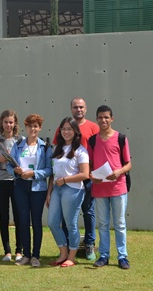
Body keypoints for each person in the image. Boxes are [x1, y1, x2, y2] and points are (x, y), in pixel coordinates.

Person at [52, 97, 99, 260]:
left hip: (86, 177)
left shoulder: (93, 127)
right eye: (75, 107)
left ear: (86, 109)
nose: (78, 109)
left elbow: (98, 151)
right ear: (71, 109)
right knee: (67, 217)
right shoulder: (63, 128)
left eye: (81, 107)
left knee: (88, 212)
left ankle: (89, 245)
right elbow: (57, 153)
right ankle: (66, 249)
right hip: (64, 181)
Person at [6, 114, 52, 267]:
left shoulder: (44, 147)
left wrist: (34, 173)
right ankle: (26, 255)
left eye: (36, 126)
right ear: (25, 128)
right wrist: (16, 172)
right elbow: (8, 165)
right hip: (20, 186)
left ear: (39, 128)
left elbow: (48, 169)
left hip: (38, 187)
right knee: (23, 221)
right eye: (30, 126)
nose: (33, 129)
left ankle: (36, 256)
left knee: (36, 222)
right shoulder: (18, 145)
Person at [89, 105, 132, 270]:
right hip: (100, 189)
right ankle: (104, 256)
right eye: (100, 117)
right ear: (97, 119)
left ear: (112, 118)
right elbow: (90, 165)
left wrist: (119, 171)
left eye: (106, 117)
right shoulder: (93, 140)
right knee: (103, 224)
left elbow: (128, 164)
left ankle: (122, 257)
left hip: (118, 187)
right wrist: (93, 176)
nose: (103, 120)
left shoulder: (121, 138)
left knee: (120, 223)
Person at [46, 117, 89, 267]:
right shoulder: (57, 148)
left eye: (70, 129)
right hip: (57, 189)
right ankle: (63, 253)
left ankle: (71, 257)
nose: (66, 132)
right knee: (52, 223)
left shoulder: (81, 151)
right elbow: (53, 174)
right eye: (64, 129)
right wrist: (49, 193)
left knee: (71, 224)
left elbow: (85, 174)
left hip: (73, 189)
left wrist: (65, 180)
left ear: (76, 131)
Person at [0, 110, 24, 262]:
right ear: (1, 123)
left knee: (18, 216)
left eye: (11, 122)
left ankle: (19, 250)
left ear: (15, 124)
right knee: (3, 216)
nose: (8, 125)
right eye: (6, 122)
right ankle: (7, 251)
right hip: (1, 182)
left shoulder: (21, 140)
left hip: (17, 181)